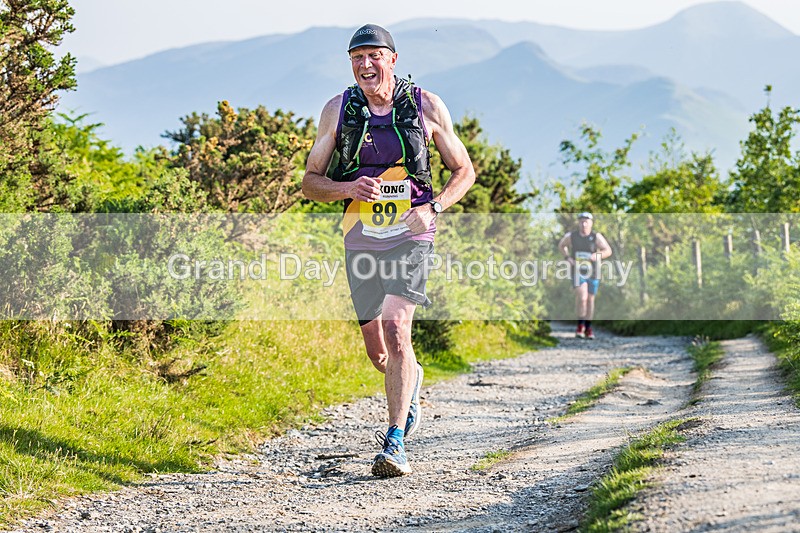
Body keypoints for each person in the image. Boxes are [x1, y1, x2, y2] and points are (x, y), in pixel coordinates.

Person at [302, 24, 475, 477]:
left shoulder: (427, 106)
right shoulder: (338, 111)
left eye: (373, 56)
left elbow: (465, 170)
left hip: (412, 233)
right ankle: (410, 382)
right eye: (356, 58)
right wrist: (346, 187)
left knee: (398, 329)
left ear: (392, 60)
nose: (365, 65)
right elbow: (309, 182)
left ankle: (395, 440)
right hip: (360, 236)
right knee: (378, 353)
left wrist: (433, 207)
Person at [558, 212, 612, 339]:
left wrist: (596, 256)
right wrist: (568, 258)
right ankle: (580, 326)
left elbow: (608, 251)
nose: (584, 224)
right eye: (581, 221)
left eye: (586, 221)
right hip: (578, 271)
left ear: (591, 223)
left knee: (590, 299)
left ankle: (588, 327)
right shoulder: (572, 236)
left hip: (593, 272)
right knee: (582, 297)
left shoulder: (596, 237)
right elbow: (561, 245)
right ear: (578, 223)